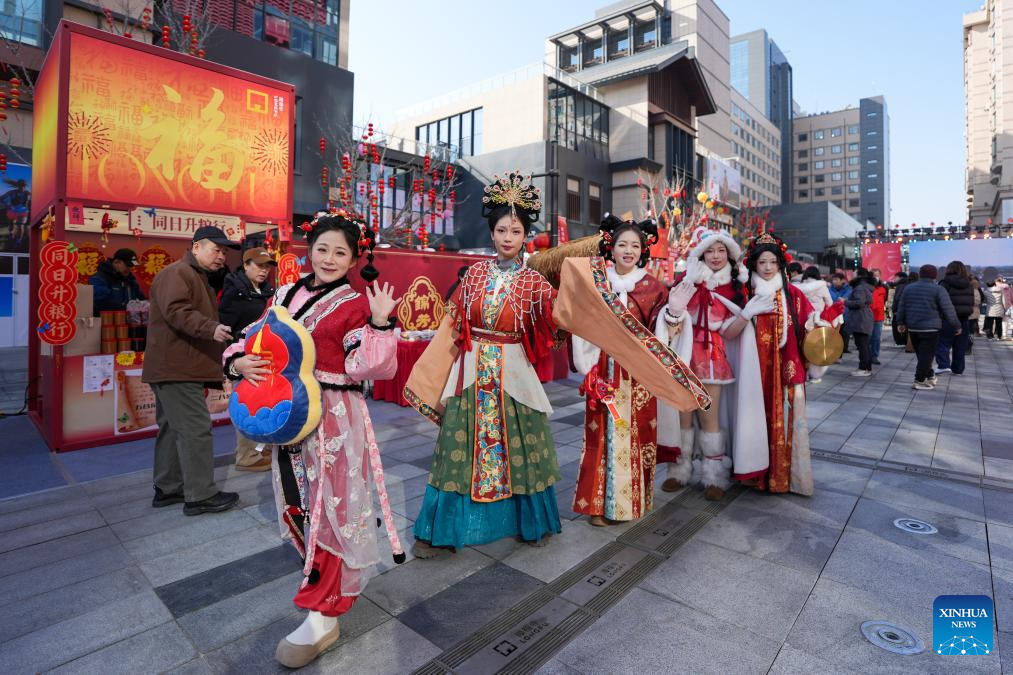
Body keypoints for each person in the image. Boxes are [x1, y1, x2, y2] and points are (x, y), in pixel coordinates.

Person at [226, 210, 404, 668]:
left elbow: (367, 368)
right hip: (287, 416)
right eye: (322, 248)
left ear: (354, 260)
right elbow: (253, 340)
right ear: (309, 249)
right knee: (297, 503)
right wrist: (237, 362)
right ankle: (320, 585)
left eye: (340, 253)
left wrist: (380, 323)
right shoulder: (285, 293)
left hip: (334, 419)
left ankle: (324, 612)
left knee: (333, 508)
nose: (328, 258)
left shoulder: (356, 304)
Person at [409, 174, 565, 555]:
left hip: (513, 374)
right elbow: (453, 324)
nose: (508, 237)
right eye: (501, 230)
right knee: (458, 451)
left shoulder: (535, 282)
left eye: (515, 230)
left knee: (522, 448)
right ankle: (444, 531)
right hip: (472, 373)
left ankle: (530, 522)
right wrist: (431, 375)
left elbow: (560, 319)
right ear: (492, 234)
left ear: (525, 235)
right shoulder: (475, 274)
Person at [655, 226, 768, 501]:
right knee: (681, 415)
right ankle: (678, 471)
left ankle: (714, 476)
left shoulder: (734, 287)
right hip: (682, 355)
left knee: (709, 417)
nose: (715, 256)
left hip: (712, 358)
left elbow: (729, 332)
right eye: (710, 251)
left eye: (721, 250)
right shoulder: (686, 281)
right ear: (701, 254)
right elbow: (671, 321)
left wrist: (745, 316)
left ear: (729, 255)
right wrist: (680, 299)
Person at [571, 214, 668, 525]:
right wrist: (588, 364)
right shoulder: (596, 282)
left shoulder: (654, 287)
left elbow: (661, 332)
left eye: (635, 246)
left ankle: (629, 503)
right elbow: (583, 323)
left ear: (643, 250)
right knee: (601, 434)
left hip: (638, 373)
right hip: (603, 367)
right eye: (622, 244)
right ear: (611, 248)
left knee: (636, 433)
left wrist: (675, 316)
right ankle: (597, 505)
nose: (628, 251)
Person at [142, 226, 240, 515]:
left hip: (174, 367)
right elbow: (177, 311)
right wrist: (211, 328)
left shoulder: (193, 275)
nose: (221, 256)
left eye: (224, 252)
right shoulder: (179, 273)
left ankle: (168, 487)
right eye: (216, 249)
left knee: (172, 429)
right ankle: (200, 495)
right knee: (196, 429)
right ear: (196, 246)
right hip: (177, 369)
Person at [743, 232, 815, 496]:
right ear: (754, 264)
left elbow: (808, 325)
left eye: (773, 262)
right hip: (753, 370)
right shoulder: (745, 293)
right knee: (751, 420)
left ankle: (784, 477)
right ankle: (753, 474)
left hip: (786, 366)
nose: (767, 267)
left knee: (785, 419)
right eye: (762, 262)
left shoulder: (793, 294)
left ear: (780, 264)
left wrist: (820, 324)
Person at [219, 247, 277, 472]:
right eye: (259, 266)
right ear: (245, 265)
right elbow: (224, 329)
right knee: (246, 407)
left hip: (264, 359)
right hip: (242, 360)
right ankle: (247, 456)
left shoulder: (266, 291)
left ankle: (260, 451)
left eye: (267, 267)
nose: (264, 271)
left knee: (263, 406)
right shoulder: (234, 292)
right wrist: (232, 363)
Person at [896, 264, 959, 390]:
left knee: (922, 355)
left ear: (920, 274)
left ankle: (930, 375)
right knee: (926, 356)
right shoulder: (938, 289)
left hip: (913, 327)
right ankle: (919, 380)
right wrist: (956, 325)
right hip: (931, 328)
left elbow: (901, 307)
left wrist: (900, 322)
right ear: (935, 275)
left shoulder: (909, 288)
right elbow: (948, 309)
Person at [796, 266, 839, 383]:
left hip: (801, 320)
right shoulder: (822, 286)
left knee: (801, 346)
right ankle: (815, 374)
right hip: (816, 321)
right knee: (815, 347)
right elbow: (829, 303)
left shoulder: (799, 286)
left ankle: (803, 373)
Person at [936, 261, 975, 376]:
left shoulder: (944, 283)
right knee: (960, 345)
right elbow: (971, 301)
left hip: (948, 318)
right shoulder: (969, 284)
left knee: (943, 342)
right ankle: (958, 369)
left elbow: (940, 301)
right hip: (964, 318)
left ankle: (943, 365)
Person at [90, 248, 145, 315]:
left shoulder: (131, 281)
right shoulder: (99, 278)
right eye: (128, 265)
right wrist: (126, 309)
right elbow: (101, 302)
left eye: (132, 266)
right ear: (116, 262)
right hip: (104, 320)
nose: (130, 268)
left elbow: (141, 299)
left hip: (128, 320)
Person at [845, 268, 875, 376]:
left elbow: (859, 302)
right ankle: (866, 367)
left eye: (854, 272)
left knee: (862, 345)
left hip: (860, 318)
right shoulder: (864, 286)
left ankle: (864, 368)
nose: (852, 274)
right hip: (863, 318)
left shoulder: (860, 287)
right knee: (864, 344)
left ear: (859, 275)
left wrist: (845, 302)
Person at [0, 178, 29, 246]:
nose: (22, 186)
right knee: (11, 223)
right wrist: (7, 206)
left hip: (23, 211)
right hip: (12, 210)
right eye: (21, 185)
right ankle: (11, 233)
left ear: (25, 186)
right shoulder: (12, 192)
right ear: (17, 185)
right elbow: (1, 198)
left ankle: (19, 240)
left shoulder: (28, 193)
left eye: (24, 185)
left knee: (20, 225)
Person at [829, 273, 852, 353]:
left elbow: (844, 299)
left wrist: (839, 300)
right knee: (834, 333)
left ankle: (843, 349)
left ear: (842, 280)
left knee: (844, 333)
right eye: (833, 280)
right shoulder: (829, 289)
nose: (834, 281)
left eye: (836, 279)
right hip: (834, 315)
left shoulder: (848, 289)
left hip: (845, 314)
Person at [985, 273, 1009, 340]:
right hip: (999, 308)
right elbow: (1003, 301)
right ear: (994, 284)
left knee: (989, 324)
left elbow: (985, 301)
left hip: (990, 309)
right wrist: (1005, 308)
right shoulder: (1001, 291)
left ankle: (990, 336)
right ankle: (999, 336)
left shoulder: (986, 292)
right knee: (999, 324)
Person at [870, 274, 887, 364]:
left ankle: (874, 356)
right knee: (868, 337)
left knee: (876, 337)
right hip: (868, 316)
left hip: (878, 316)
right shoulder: (867, 289)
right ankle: (868, 355)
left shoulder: (882, 290)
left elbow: (878, 303)